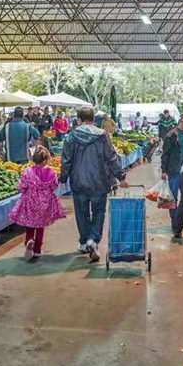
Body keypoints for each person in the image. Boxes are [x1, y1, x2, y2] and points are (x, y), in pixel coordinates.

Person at [60, 107, 128, 262]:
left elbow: (66, 160)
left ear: (78, 120)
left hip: (78, 181)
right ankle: (93, 240)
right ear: (93, 119)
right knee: (98, 212)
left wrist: (63, 179)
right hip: (99, 181)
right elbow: (111, 157)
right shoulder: (102, 135)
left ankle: (84, 242)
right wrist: (121, 177)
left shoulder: (71, 137)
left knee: (81, 212)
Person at [8, 147, 66, 261]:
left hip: (30, 203)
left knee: (30, 225)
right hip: (44, 205)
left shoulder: (27, 172)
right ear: (45, 161)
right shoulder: (52, 173)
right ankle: (37, 250)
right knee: (40, 227)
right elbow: (54, 186)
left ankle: (29, 240)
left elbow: (21, 187)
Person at [160, 114, 183, 229]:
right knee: (172, 198)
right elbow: (165, 154)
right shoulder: (171, 136)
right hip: (173, 171)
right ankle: (175, 223)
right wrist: (164, 170)